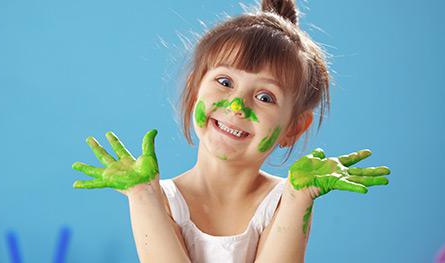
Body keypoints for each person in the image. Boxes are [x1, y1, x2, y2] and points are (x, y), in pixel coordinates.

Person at [71, 0, 391, 262]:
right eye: (225, 82)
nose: (238, 106)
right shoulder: (161, 197)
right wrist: (142, 196)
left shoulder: (284, 199)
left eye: (265, 97)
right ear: (195, 87)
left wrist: (299, 197)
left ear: (294, 127)